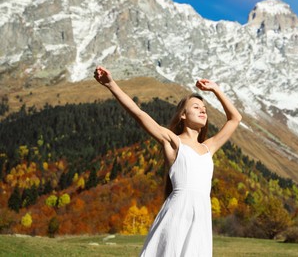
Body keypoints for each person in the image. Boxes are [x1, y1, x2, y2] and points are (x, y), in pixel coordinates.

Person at [94, 66, 242, 256]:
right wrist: (111, 84)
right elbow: (139, 114)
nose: (202, 111)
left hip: (201, 219)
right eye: (196, 107)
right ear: (182, 115)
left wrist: (215, 89)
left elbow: (235, 118)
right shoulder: (173, 141)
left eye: (205, 109)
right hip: (177, 214)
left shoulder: (208, 147)